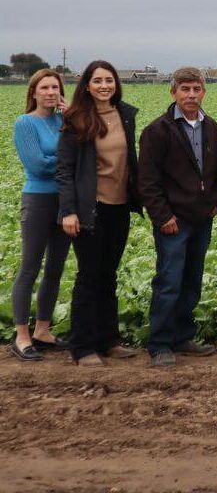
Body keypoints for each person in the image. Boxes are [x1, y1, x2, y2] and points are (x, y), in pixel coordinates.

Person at [137, 67, 217, 368]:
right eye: (185, 89)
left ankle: (182, 336)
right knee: (169, 280)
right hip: (173, 220)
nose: (191, 95)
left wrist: (216, 203)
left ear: (204, 91)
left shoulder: (212, 128)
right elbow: (148, 181)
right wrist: (162, 216)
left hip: (201, 217)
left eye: (196, 89)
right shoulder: (157, 130)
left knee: (191, 279)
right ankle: (160, 343)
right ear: (173, 92)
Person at [57, 60, 141, 366]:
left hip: (119, 207)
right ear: (87, 86)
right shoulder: (76, 119)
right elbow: (65, 170)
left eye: (109, 80)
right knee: (89, 276)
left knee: (108, 275)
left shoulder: (125, 116)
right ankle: (83, 347)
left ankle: (109, 341)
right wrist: (68, 211)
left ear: (116, 84)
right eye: (98, 81)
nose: (104, 86)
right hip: (90, 208)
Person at [10, 69, 71, 361]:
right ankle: (22, 336)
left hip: (65, 201)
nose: (50, 92)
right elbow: (38, 166)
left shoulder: (64, 120)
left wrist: (72, 119)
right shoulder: (25, 123)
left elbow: (82, 150)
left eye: (55, 87)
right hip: (37, 199)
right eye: (44, 87)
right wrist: (67, 158)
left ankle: (43, 330)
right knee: (30, 267)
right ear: (33, 92)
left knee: (56, 267)